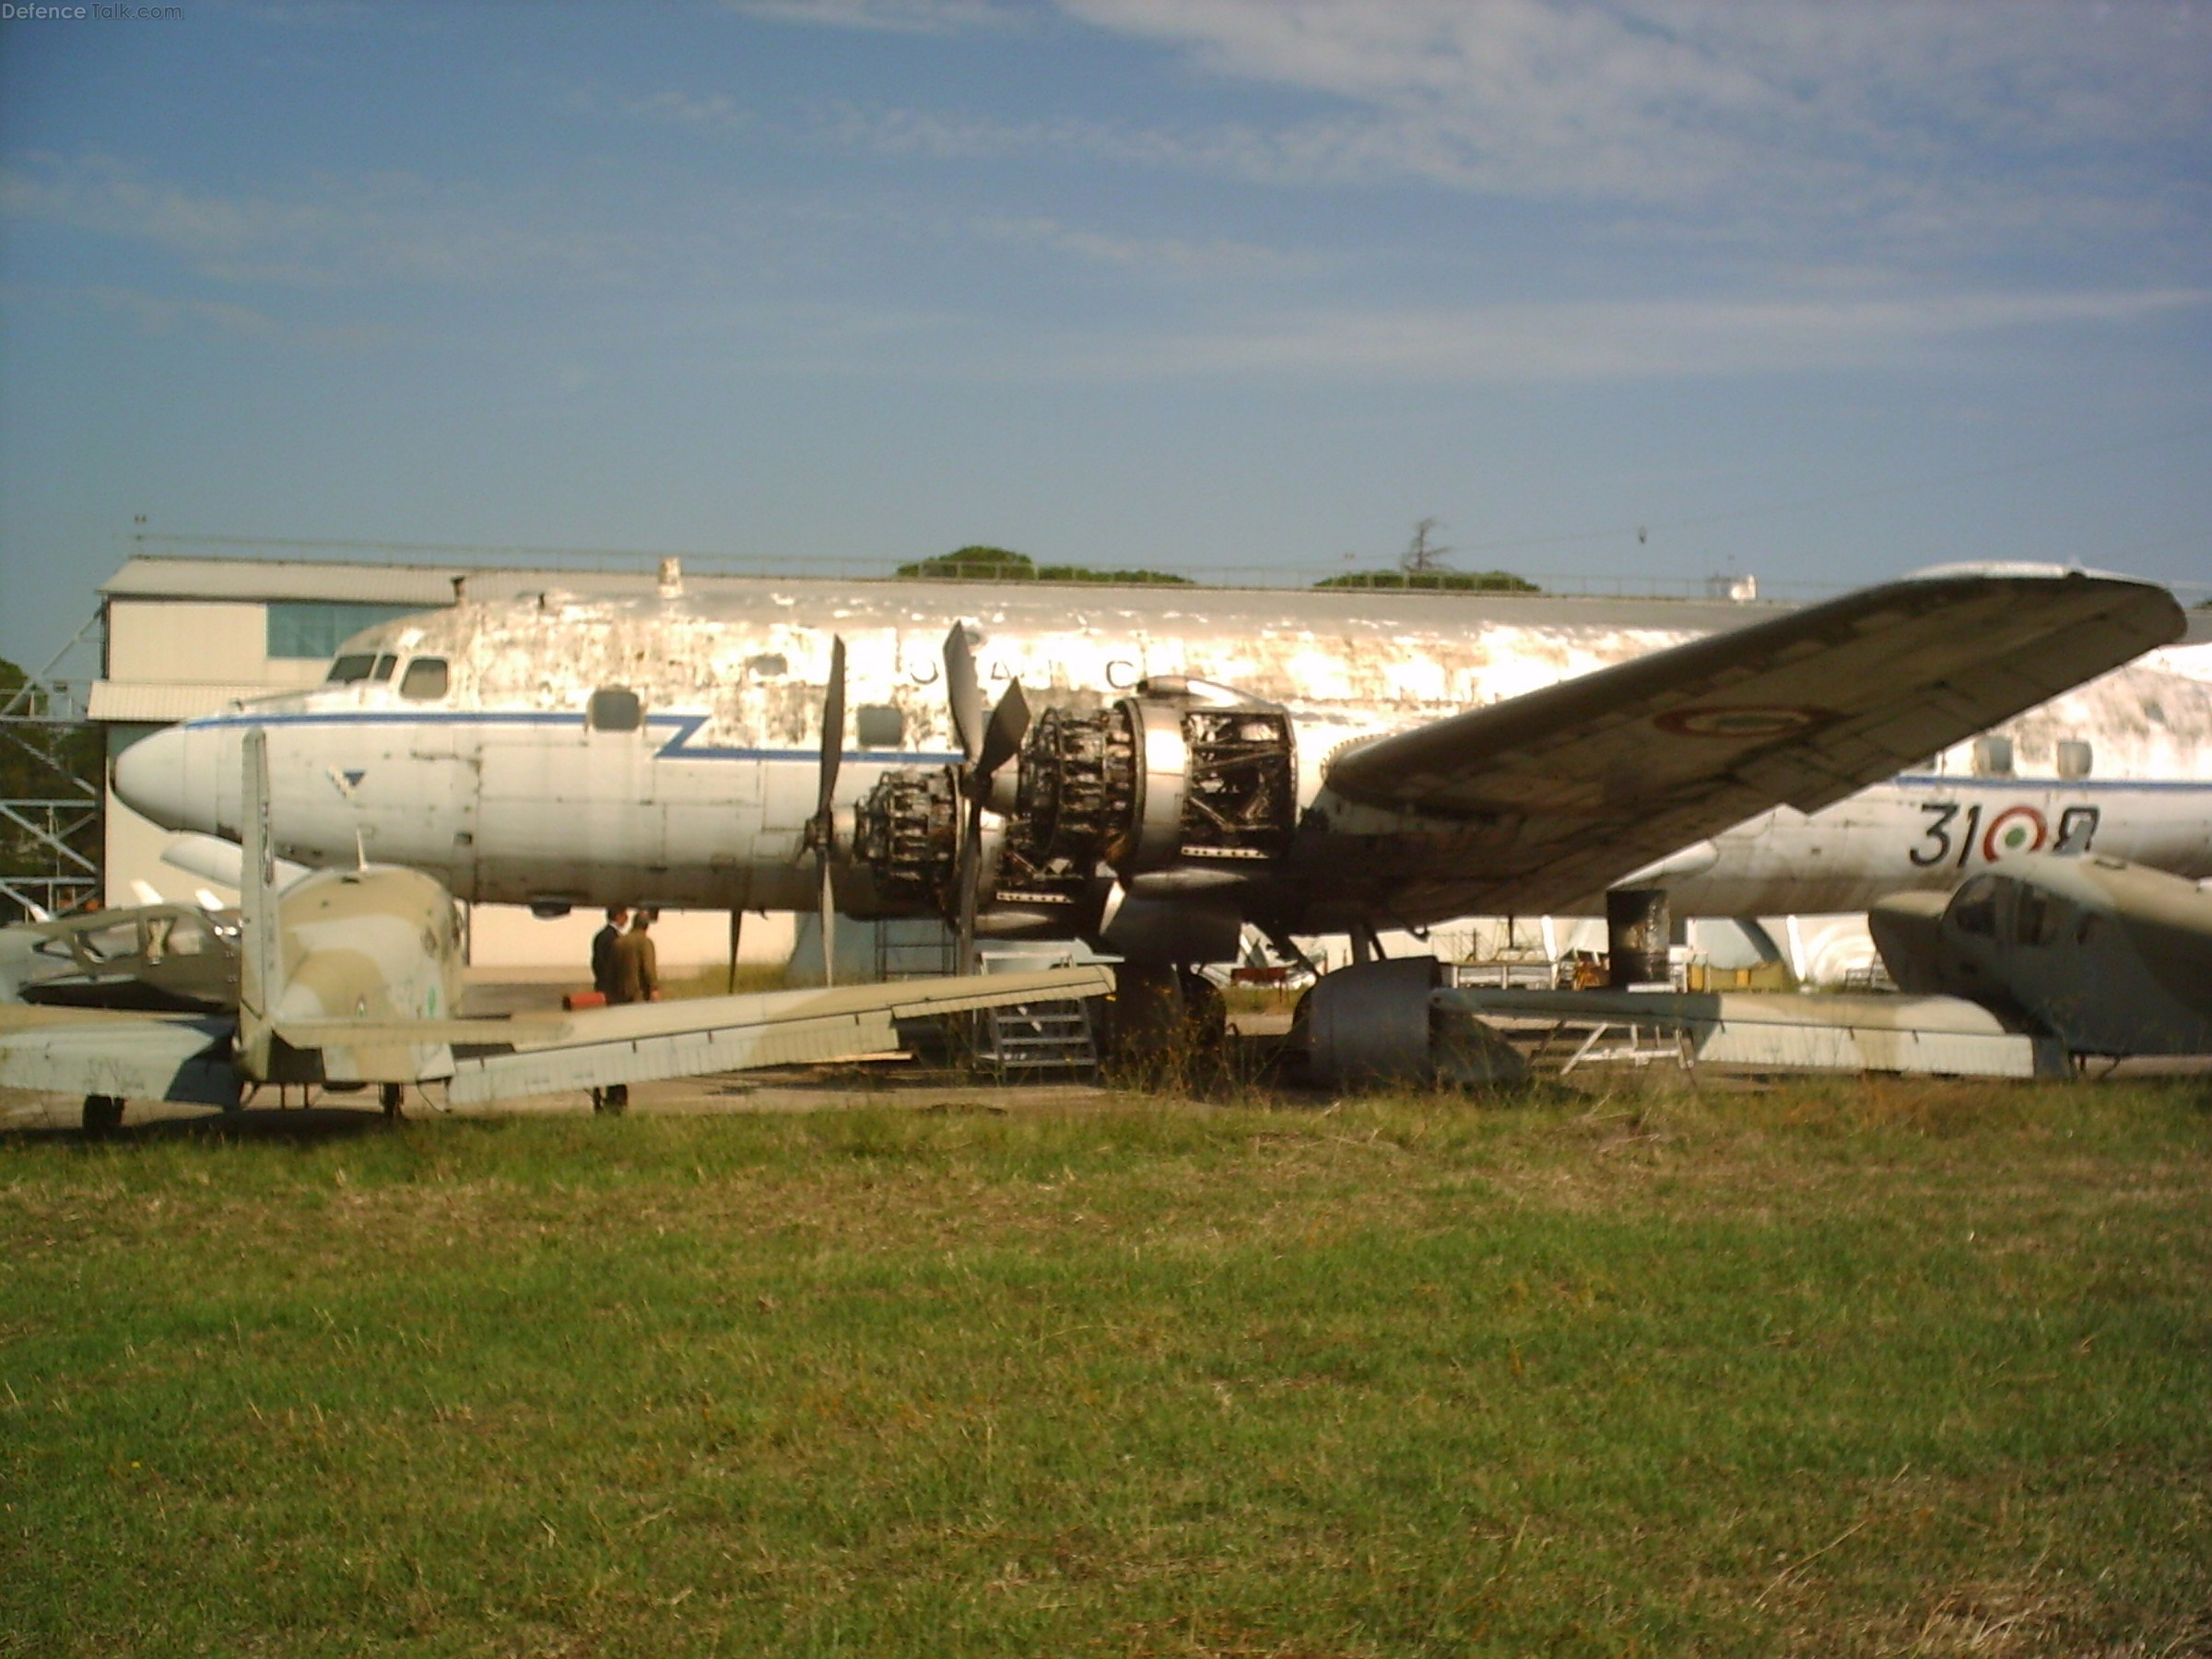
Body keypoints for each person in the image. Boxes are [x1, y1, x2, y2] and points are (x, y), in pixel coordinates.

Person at [596, 911, 659, 1113]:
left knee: (617, 1049)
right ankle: (619, 1096)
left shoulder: (619, 942)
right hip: (635, 1000)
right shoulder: (644, 943)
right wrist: (654, 991)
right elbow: (648, 970)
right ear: (647, 925)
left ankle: (615, 1093)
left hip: (617, 1001)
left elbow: (609, 973)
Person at [590, 906, 629, 999]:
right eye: (625, 916)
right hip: (613, 988)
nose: (627, 920)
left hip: (602, 985)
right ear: (618, 916)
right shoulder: (615, 938)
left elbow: (596, 962)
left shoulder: (600, 935)